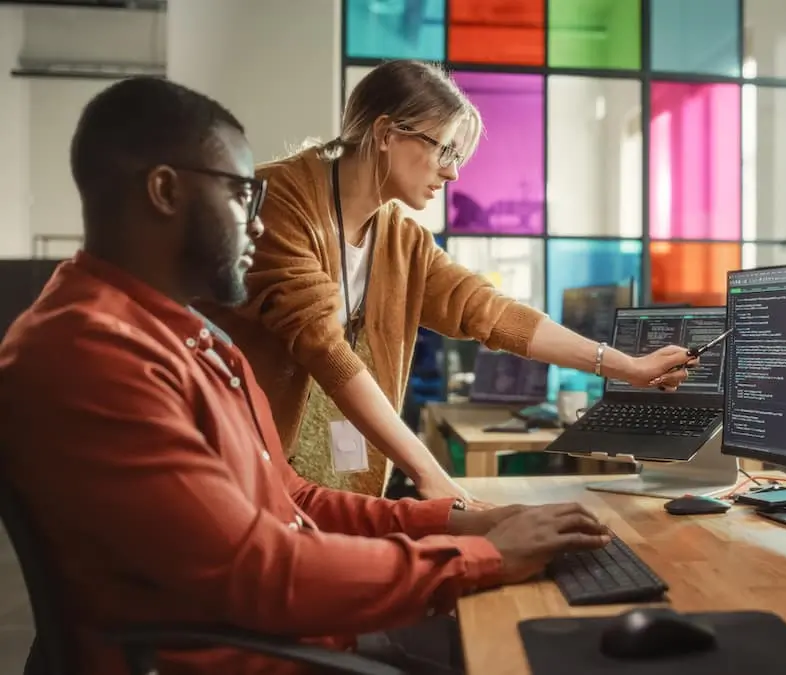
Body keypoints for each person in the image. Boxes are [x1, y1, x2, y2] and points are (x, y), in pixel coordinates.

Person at [0, 77, 610, 675]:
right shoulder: (92, 356)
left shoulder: (191, 341)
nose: (258, 224)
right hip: (250, 654)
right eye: (243, 195)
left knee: (552, 634)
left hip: (290, 630)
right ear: (165, 191)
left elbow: (292, 498)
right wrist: (479, 557)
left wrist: (460, 522)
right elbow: (260, 572)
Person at [200, 60, 693, 504]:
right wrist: (429, 473)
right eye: (444, 151)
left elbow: (487, 310)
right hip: (234, 470)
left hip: (320, 488)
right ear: (386, 133)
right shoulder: (278, 201)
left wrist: (627, 367)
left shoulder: (401, 238)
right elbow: (322, 344)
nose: (453, 173)